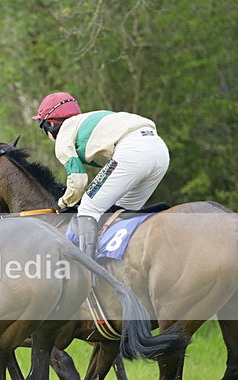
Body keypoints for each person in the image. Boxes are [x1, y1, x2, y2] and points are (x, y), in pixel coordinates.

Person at [32, 92, 170, 259]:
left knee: (87, 209)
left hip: (132, 151)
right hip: (160, 151)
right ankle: (123, 264)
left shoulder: (64, 135)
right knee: (119, 213)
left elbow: (78, 180)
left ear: (50, 124)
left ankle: (89, 270)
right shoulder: (89, 120)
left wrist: (62, 203)